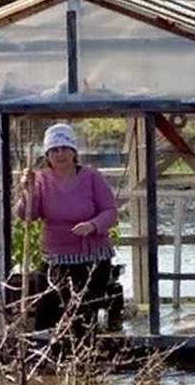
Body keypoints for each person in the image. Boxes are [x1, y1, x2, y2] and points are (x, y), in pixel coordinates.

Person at [14, 122, 118, 335]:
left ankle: (82, 356)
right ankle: (47, 357)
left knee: (82, 315)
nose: (60, 154)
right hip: (56, 258)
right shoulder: (41, 180)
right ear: (47, 155)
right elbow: (27, 215)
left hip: (91, 259)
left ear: (74, 152)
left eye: (64, 149)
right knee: (47, 312)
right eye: (54, 150)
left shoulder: (91, 177)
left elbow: (110, 211)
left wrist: (92, 225)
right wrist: (28, 191)